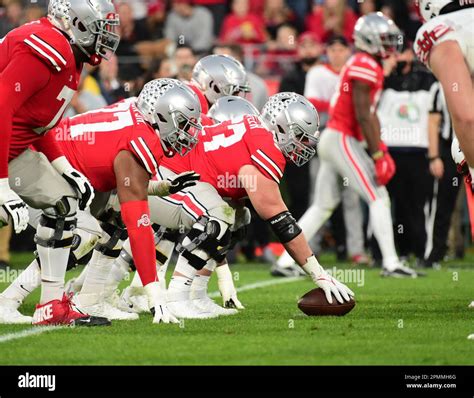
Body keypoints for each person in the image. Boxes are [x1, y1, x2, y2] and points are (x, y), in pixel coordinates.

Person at [110, 94, 354, 319]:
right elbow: (281, 222)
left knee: (237, 218)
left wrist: (224, 273)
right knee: (219, 219)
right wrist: (318, 273)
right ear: (280, 128)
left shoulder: (254, 133)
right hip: (163, 180)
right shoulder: (265, 146)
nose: (303, 145)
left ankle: (196, 292)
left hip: (178, 179)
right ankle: (176, 295)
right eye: (299, 136)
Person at [0, 79, 203, 324]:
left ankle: (90, 299)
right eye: (182, 123)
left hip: (66, 179)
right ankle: (9, 300)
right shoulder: (140, 140)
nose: (188, 133)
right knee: (84, 234)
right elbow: (140, 226)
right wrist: (156, 295)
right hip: (38, 172)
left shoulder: (138, 118)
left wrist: (162, 187)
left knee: (114, 219)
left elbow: (127, 183)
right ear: (159, 115)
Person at [0, 0, 120, 326]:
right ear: (75, 23)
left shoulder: (69, 56)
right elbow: (2, 108)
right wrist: (2, 187)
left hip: (15, 148)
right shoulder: (46, 46)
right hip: (3, 147)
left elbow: (38, 122)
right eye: (99, 30)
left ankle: (50, 306)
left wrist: (65, 168)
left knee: (64, 205)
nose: (104, 38)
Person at [276, 13, 419, 278]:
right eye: (384, 39)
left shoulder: (364, 62)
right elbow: (363, 112)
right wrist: (378, 154)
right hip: (341, 137)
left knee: (322, 205)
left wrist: (381, 149)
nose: (390, 45)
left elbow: (369, 114)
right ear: (370, 40)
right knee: (378, 196)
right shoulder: (365, 63)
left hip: (334, 138)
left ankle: (285, 261)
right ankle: (390, 262)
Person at [304, 35, 369, 267]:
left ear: (348, 51)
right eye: (333, 49)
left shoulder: (354, 72)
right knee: (318, 199)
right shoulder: (317, 73)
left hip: (348, 142)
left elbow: (362, 108)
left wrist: (335, 106)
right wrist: (340, 106)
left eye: (341, 49)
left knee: (352, 199)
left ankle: (357, 250)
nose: (337, 53)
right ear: (327, 51)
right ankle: (309, 249)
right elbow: (311, 106)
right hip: (324, 140)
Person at [377, 46, 435, 264]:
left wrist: (433, 153)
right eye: (393, 54)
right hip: (390, 151)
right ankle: (389, 253)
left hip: (418, 151)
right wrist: (384, 72)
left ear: (412, 55)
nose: (397, 58)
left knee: (417, 205)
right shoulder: (382, 81)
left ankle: (420, 251)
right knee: (388, 204)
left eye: (401, 53)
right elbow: (371, 103)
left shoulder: (426, 80)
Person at [424, 81, 462, 268]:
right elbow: (433, 122)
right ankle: (435, 253)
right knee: (443, 204)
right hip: (450, 148)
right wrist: (434, 156)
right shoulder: (440, 87)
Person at [213, 43, 269, 110]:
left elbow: (263, 114)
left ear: (237, 59)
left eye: (223, 59)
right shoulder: (209, 85)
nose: (218, 63)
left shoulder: (257, 84)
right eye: (215, 59)